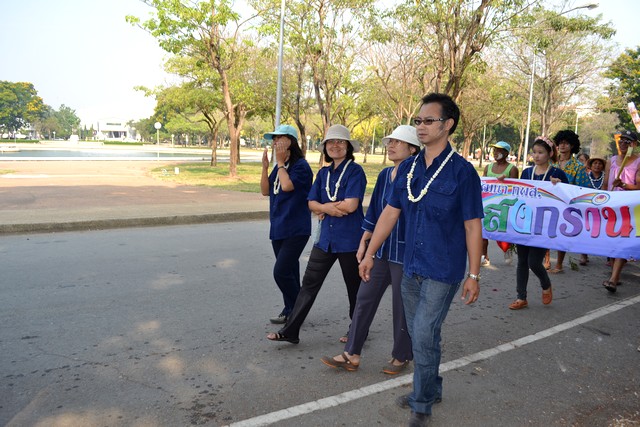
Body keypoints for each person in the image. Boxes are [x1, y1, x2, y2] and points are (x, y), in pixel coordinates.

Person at [359, 93, 483, 427]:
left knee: (425, 333)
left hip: (443, 269)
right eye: (418, 121)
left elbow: (473, 225)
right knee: (420, 334)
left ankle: (422, 403)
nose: (421, 126)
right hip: (409, 266)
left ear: (448, 125)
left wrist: (474, 275)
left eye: (429, 121)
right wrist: (369, 253)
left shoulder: (463, 172)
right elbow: (389, 213)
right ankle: (432, 386)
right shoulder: (408, 168)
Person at [320, 125, 420, 374]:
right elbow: (375, 211)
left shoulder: (417, 175)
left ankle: (401, 355)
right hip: (381, 249)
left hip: (405, 252)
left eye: (398, 142)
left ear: (413, 149)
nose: (391, 146)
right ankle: (351, 353)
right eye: (390, 142)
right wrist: (365, 243)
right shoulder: (385, 175)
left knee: (401, 305)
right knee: (364, 298)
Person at [267, 124, 367, 344]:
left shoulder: (355, 171)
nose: (335, 145)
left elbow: (351, 205)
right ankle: (291, 330)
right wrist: (327, 208)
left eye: (340, 142)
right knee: (308, 285)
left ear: (348, 146)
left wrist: (323, 207)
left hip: (350, 240)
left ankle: (358, 330)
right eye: (330, 142)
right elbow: (311, 203)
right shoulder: (323, 173)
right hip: (325, 240)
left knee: (354, 288)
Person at [260, 125, 313, 324]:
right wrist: (265, 168)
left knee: (280, 272)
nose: (275, 143)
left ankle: (298, 309)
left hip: (296, 228)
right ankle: (291, 309)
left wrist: (280, 163)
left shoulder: (301, 166)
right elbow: (266, 191)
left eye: (279, 138)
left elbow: (287, 186)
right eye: (273, 139)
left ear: (290, 141)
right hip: (278, 227)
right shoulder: (280, 167)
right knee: (290, 272)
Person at [510, 137, 569, 311]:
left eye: (540, 152)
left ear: (550, 154)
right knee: (522, 261)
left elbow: (568, 196)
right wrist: (503, 182)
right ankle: (521, 297)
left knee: (534, 262)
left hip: (544, 225)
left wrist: (559, 186)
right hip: (525, 222)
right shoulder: (527, 172)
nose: (536, 156)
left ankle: (545, 283)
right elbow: (517, 192)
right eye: (534, 152)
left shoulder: (557, 173)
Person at [602, 130, 640, 293]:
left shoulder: (638, 162)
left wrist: (624, 185)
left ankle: (613, 278)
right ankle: (615, 274)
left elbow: (639, 186)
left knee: (623, 240)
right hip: (612, 206)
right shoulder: (611, 161)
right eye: (621, 140)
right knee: (612, 240)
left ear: (634, 144)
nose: (623, 144)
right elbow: (605, 184)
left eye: (627, 141)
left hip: (630, 208)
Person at [548, 130, 590, 273]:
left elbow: (582, 188)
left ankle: (559, 264)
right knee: (545, 230)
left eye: (566, 143)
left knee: (562, 233)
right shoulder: (551, 163)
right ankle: (546, 261)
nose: (562, 145)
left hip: (567, 205)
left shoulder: (578, 167)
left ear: (572, 145)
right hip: (549, 202)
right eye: (560, 143)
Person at [481, 141, 519, 266]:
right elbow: (483, 184)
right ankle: (484, 256)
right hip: (488, 205)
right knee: (483, 232)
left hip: (504, 206)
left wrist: (505, 181)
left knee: (501, 234)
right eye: (495, 150)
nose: (496, 153)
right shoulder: (488, 167)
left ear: (506, 153)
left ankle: (507, 249)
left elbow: (516, 188)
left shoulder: (512, 169)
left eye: (499, 151)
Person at [580, 155, 606, 266]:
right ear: (590, 165)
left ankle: (610, 256)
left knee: (605, 230)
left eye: (600, 163)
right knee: (585, 230)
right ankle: (583, 254)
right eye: (595, 163)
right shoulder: (584, 177)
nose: (597, 165)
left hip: (603, 208)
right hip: (587, 208)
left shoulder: (606, 177)